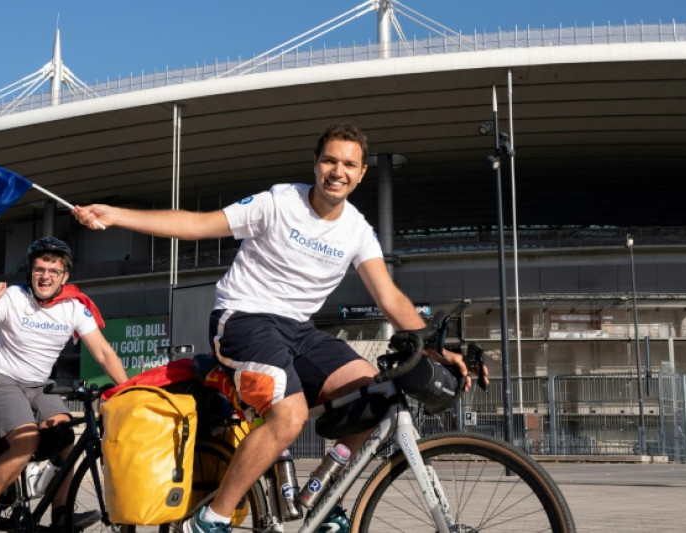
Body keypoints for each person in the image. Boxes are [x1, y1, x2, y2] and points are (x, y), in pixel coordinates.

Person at [73, 122, 489, 533]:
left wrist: (435, 347)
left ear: (362, 174)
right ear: (315, 163)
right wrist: (117, 216)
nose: (337, 171)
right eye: (330, 160)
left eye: (348, 164)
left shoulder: (357, 229)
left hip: (299, 330)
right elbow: (199, 225)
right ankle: (211, 518)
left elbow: (390, 297)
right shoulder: (278, 203)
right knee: (288, 417)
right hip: (243, 318)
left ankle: (325, 502)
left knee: (373, 393)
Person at [0, 237, 128, 532]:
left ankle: (61, 516)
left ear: (65, 276)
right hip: (1, 379)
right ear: (30, 272)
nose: (45, 276)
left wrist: (127, 388)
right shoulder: (12, 297)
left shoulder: (73, 307)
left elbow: (102, 352)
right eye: (39, 269)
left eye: (53, 270)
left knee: (65, 438)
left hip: (39, 386)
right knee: (26, 440)